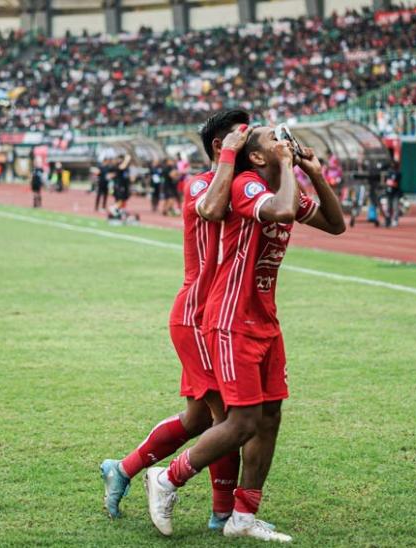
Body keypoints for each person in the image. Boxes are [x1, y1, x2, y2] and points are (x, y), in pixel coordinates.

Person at [144, 126, 345, 543]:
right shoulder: (247, 186)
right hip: (232, 317)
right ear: (256, 157)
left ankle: (243, 514)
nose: (283, 142)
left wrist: (316, 174)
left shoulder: (281, 184)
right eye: (275, 139)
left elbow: (335, 224)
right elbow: (283, 212)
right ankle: (167, 478)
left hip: (265, 318)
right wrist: (289, 166)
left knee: (270, 417)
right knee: (243, 421)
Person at [99, 110, 252, 530]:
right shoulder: (202, 182)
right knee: (229, 418)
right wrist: (228, 159)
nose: (249, 139)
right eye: (241, 135)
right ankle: (221, 514)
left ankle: (122, 468)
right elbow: (214, 211)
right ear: (222, 146)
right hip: (198, 315)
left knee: (199, 419)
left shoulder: (241, 183)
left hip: (220, 315)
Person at [384, 161, 403, 227]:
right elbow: (386, 181)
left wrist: (389, 182)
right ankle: (387, 220)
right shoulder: (389, 173)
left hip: (395, 193)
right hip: (389, 192)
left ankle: (395, 220)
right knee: (388, 207)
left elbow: (394, 183)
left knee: (395, 207)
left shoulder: (398, 173)